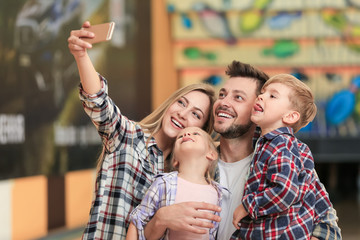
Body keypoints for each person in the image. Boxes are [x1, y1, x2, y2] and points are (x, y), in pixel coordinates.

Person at [144, 61, 341, 240]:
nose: (223, 102)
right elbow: (141, 228)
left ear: (256, 108)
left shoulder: (286, 157)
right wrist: (160, 220)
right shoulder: (189, 157)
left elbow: (328, 225)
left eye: (238, 97)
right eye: (222, 95)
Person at [67, 21, 221, 239]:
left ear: (202, 131)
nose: (183, 114)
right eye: (181, 103)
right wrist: (81, 56)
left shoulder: (184, 177)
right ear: (170, 104)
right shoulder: (128, 136)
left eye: (196, 114)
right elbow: (98, 102)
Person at [232, 73, 332, 239]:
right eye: (262, 92)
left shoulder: (281, 144)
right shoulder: (273, 144)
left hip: (278, 233)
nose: (261, 97)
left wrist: (248, 206)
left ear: (290, 116)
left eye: (272, 96)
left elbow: (285, 190)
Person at [126, 126, 225, 240]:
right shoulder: (163, 183)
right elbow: (137, 220)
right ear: (175, 160)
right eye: (181, 136)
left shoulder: (218, 193)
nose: (186, 135)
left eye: (196, 134)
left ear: (212, 154)